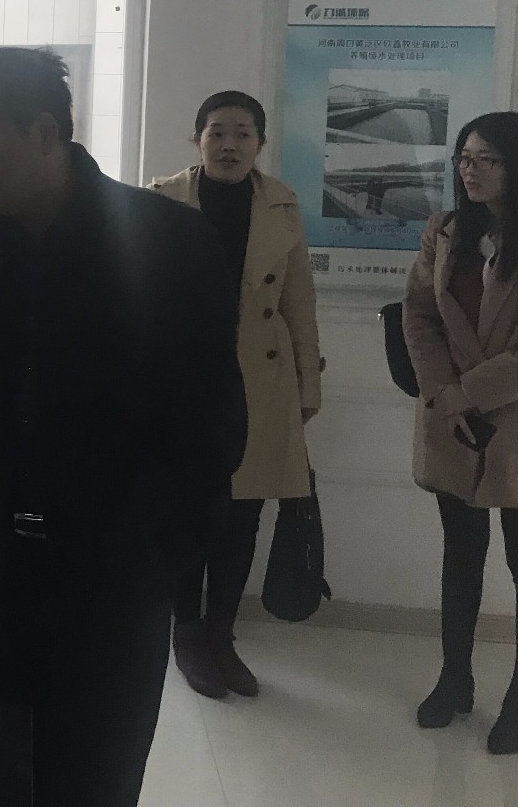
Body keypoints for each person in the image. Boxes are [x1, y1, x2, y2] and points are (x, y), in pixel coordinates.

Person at [0, 47, 246, 807]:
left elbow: (211, 418)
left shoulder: (169, 241)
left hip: (113, 577)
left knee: (95, 777)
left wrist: (164, 553)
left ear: (44, 131)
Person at [401, 111, 518, 755]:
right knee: (460, 556)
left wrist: (472, 390)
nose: (471, 170)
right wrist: (443, 392)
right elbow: (419, 317)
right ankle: (454, 680)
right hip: (453, 420)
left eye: (487, 159)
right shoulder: (446, 231)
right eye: (464, 158)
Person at [149, 90, 322, 700]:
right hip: (182, 379)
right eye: (217, 132)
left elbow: (298, 298)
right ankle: (186, 633)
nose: (229, 145)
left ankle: (222, 634)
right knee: (187, 510)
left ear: (260, 143)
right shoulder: (161, 199)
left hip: (259, 380)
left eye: (243, 133)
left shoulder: (281, 204)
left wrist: (308, 383)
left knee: (242, 515)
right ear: (197, 139)